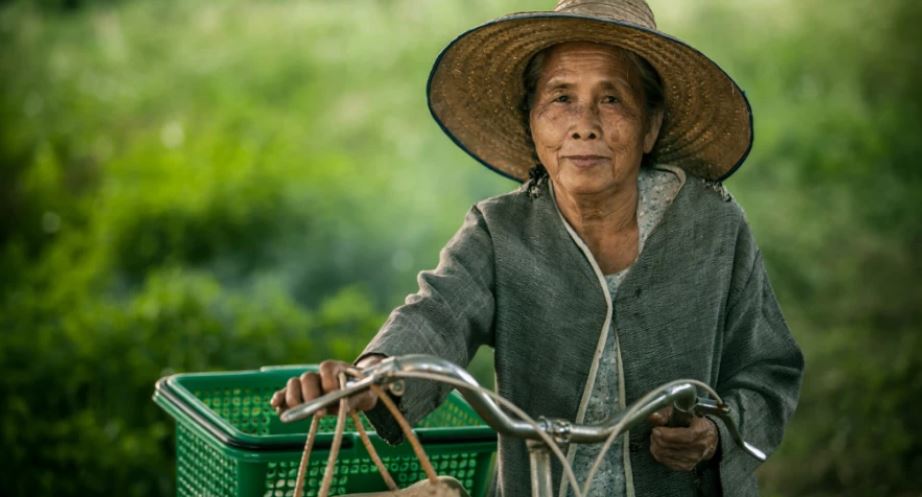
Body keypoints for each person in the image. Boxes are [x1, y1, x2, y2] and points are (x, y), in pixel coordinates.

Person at [271, 1, 804, 496]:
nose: (584, 126)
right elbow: (437, 313)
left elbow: (768, 369)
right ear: (532, 122)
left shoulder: (712, 226)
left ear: (650, 127)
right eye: (561, 98)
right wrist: (370, 379)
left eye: (612, 99)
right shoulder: (499, 230)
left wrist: (712, 434)